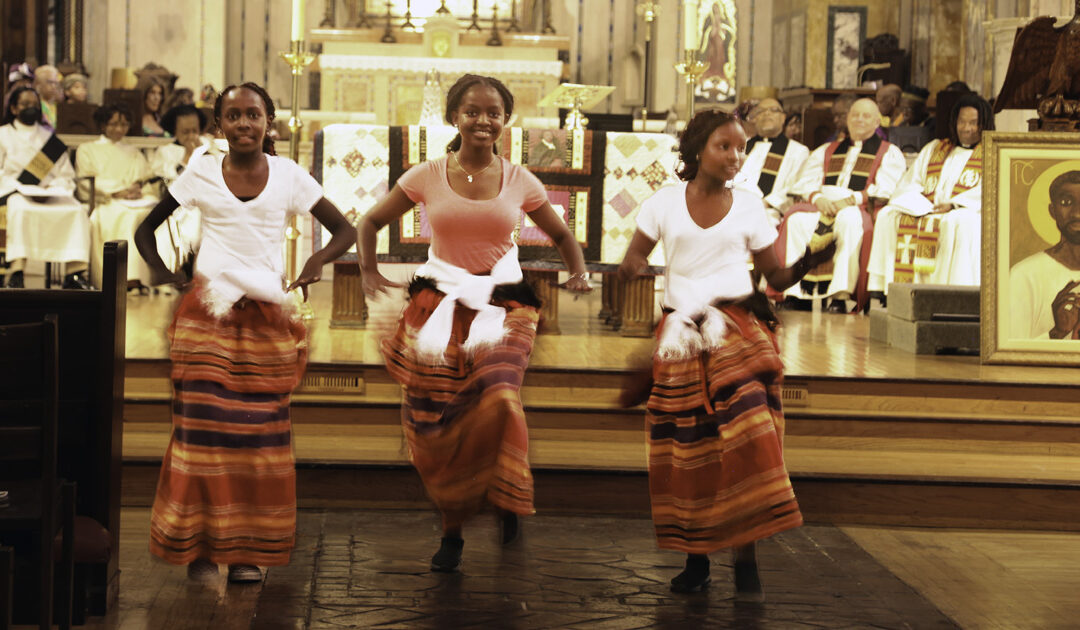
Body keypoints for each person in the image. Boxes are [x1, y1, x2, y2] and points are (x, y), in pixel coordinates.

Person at [357, 73, 591, 573]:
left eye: (493, 112)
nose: (483, 120)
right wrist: (368, 270)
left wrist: (578, 271)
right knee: (438, 418)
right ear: (454, 117)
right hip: (438, 303)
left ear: (506, 120)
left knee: (499, 398)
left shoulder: (520, 179)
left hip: (504, 303)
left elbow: (563, 236)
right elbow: (369, 222)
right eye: (472, 111)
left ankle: (506, 492)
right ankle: (452, 529)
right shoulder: (427, 174)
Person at [134, 82, 354, 583]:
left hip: (263, 317)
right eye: (232, 116)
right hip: (207, 313)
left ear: (268, 123)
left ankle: (249, 549)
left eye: (252, 115)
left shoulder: (289, 176)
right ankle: (203, 546)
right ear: (219, 127)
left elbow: (344, 230)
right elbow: (146, 230)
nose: (243, 124)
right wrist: (170, 275)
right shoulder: (203, 171)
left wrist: (318, 260)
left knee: (258, 433)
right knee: (202, 430)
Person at [616, 109, 834, 597]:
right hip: (681, 333)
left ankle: (746, 558)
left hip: (738, 328)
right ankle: (696, 560)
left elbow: (774, 279)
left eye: (740, 147)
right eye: (724, 146)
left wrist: (808, 262)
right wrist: (630, 268)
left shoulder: (751, 206)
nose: (735, 156)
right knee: (689, 447)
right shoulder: (664, 203)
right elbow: (636, 255)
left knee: (748, 436)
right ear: (697, 150)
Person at [775, 98, 906, 313]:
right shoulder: (827, 149)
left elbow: (887, 188)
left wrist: (851, 200)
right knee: (797, 220)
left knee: (849, 222)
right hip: (823, 203)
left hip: (857, 206)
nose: (859, 120)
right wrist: (818, 198)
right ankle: (798, 294)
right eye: (855, 115)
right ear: (847, 119)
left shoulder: (888, 152)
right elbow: (806, 182)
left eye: (866, 116)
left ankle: (839, 295)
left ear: (877, 122)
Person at [867, 94, 993, 302]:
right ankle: (887, 289)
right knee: (888, 215)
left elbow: (989, 190)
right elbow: (912, 181)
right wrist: (919, 202)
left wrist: (953, 205)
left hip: (964, 210)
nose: (966, 128)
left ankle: (953, 292)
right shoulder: (936, 148)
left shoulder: (990, 153)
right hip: (928, 208)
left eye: (973, 123)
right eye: (961, 121)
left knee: (959, 222)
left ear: (984, 124)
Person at [0, 85, 91, 289]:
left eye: (34, 104)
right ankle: (17, 271)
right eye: (25, 104)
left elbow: (65, 174)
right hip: (16, 193)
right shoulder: (3, 135)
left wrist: (52, 187)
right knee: (20, 209)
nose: (31, 108)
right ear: (14, 108)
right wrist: (20, 188)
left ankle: (74, 273)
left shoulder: (49, 138)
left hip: (50, 193)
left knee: (76, 211)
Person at [78, 103, 170, 291]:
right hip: (107, 201)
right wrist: (115, 192)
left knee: (148, 216)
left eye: (124, 124)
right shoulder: (88, 149)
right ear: (103, 125)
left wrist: (138, 190)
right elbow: (85, 181)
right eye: (113, 124)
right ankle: (125, 278)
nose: (119, 129)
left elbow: (146, 179)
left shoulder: (133, 151)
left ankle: (150, 277)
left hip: (134, 201)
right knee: (123, 216)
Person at [1009, 170, 1080, 339]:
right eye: (1066, 202)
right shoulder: (1023, 275)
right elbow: (1011, 351)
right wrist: (1058, 331)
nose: (1077, 213)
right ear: (1052, 211)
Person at [151, 104, 210, 269]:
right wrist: (187, 157)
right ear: (174, 131)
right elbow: (168, 181)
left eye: (195, 130)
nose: (191, 136)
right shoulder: (166, 151)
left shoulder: (207, 146)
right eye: (185, 132)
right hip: (179, 203)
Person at [739, 97, 810, 226]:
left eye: (773, 110)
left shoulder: (798, 151)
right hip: (736, 206)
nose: (767, 113)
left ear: (783, 118)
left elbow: (794, 188)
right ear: (755, 119)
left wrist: (765, 203)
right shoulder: (741, 147)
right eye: (761, 111)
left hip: (768, 211)